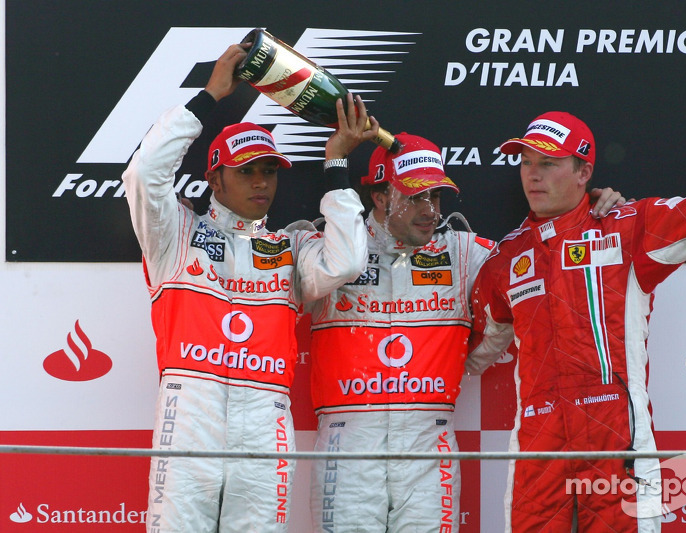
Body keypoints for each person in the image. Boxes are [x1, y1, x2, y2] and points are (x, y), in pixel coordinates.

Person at [467, 53, 686, 532]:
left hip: (618, 443)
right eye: (526, 163)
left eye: (548, 163)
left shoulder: (628, 228)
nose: (532, 175)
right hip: (537, 449)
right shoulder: (506, 259)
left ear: (584, 172)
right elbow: (476, 345)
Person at [305, 133, 625, 532]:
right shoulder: (327, 248)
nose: (430, 211)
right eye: (416, 197)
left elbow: (535, 266)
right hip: (347, 442)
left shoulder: (462, 251)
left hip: (429, 439)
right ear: (381, 197)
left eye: (436, 198)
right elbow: (322, 270)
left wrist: (589, 210)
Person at [122, 41, 375, 532]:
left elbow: (347, 260)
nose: (261, 182)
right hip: (188, 412)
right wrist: (209, 97)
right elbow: (145, 174)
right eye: (246, 171)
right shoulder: (176, 235)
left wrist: (337, 165)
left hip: (265, 418)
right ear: (214, 180)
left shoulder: (292, 246)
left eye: (268, 171)